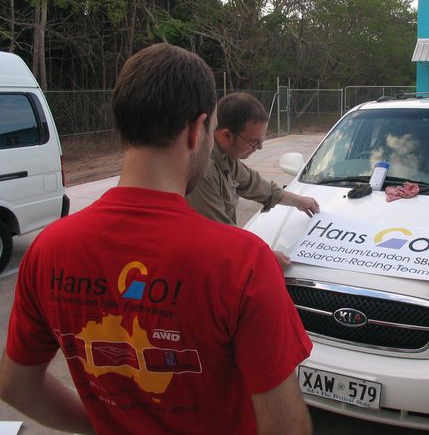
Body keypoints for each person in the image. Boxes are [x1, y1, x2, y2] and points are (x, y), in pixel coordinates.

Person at [0, 44, 313, 435]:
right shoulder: (243, 263)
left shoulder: (49, 249)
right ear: (197, 130)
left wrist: (101, 424)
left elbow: (16, 384)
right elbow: (285, 426)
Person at [186, 92, 320, 268]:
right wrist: (264, 256)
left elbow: (256, 185)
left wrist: (300, 201)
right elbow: (220, 233)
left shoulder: (227, 157)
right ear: (226, 135)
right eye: (254, 142)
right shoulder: (205, 169)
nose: (260, 148)